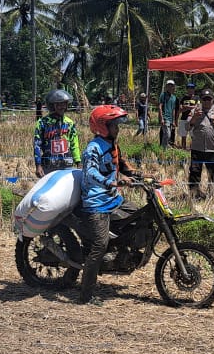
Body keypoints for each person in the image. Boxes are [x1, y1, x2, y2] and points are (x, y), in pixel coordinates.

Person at [76, 105, 140, 305]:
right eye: (114, 125)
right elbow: (90, 173)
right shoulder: (92, 148)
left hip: (114, 199)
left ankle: (121, 253)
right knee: (99, 245)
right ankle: (85, 295)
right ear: (103, 126)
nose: (117, 129)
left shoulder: (113, 145)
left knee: (140, 215)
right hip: (96, 203)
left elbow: (122, 165)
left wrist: (140, 176)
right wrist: (111, 182)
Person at [33, 89, 82, 178]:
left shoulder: (69, 123)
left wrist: (78, 162)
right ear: (52, 106)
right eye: (59, 104)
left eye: (64, 103)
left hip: (67, 165)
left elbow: (74, 144)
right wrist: (38, 165)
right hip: (48, 165)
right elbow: (37, 145)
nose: (62, 106)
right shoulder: (42, 123)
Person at [177, 83, 198, 150]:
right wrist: (190, 108)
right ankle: (183, 148)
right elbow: (180, 109)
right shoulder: (183, 98)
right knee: (183, 135)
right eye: (189, 88)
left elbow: (197, 107)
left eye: (192, 88)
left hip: (193, 119)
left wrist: (186, 107)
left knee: (193, 135)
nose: (190, 90)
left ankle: (192, 149)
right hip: (183, 119)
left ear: (194, 89)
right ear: (187, 89)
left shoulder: (196, 98)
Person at [158, 80, 178, 148]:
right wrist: (161, 118)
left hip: (170, 119)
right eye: (169, 85)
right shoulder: (163, 95)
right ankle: (164, 148)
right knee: (167, 134)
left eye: (172, 85)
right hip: (165, 117)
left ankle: (164, 147)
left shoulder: (174, 97)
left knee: (168, 134)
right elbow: (160, 106)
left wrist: (174, 121)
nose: (170, 87)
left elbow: (173, 109)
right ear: (166, 86)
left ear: (174, 87)